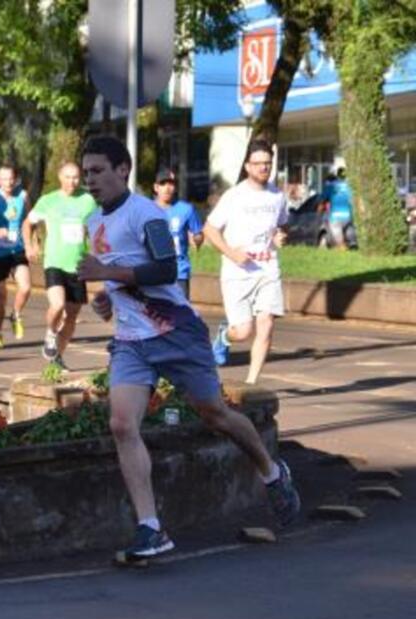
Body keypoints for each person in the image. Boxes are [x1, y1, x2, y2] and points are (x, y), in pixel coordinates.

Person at [75, 134, 300, 560]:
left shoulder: (145, 213)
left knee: (215, 413)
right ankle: (150, 528)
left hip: (175, 333)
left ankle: (272, 472)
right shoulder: (94, 222)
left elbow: (162, 269)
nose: (90, 180)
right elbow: (116, 279)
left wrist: (108, 271)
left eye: (98, 171)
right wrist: (106, 297)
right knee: (122, 425)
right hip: (130, 342)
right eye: (86, 172)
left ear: (123, 170)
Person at [205, 140, 289, 385]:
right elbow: (210, 229)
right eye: (259, 164)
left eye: (268, 164)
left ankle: (251, 383)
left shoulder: (277, 196)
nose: (264, 168)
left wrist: (279, 236)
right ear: (247, 167)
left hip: (268, 267)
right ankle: (224, 336)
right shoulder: (234, 196)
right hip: (237, 270)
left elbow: (282, 225)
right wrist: (231, 253)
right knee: (243, 331)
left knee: (266, 323)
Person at [22, 162, 96, 369]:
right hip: (54, 262)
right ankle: (50, 333)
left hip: (77, 264)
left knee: (72, 316)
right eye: (68, 177)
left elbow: (96, 227)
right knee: (58, 305)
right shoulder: (48, 201)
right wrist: (30, 245)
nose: (72, 181)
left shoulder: (88, 200)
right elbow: (28, 223)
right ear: (60, 177)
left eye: (76, 177)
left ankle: (58, 358)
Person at [0, 165, 30, 349]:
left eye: (11, 178)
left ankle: (16, 314)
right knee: (1, 296)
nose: (8, 182)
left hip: (17, 250)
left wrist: (31, 242)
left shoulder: (22, 196)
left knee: (25, 287)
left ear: (15, 179)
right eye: (4, 179)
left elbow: (28, 220)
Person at [152, 167, 203, 299]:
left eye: (171, 184)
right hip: (153, 272)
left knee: (181, 315)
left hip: (179, 271)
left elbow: (198, 233)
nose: (167, 188)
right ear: (156, 187)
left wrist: (197, 239)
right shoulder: (146, 210)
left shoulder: (186, 209)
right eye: (163, 184)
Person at [320, 167, 353, 248]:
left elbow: (322, 202)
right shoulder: (350, 187)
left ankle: (345, 254)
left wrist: (319, 211)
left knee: (340, 244)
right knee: (348, 242)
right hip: (348, 217)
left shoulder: (331, 186)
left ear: (337, 175)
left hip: (335, 218)